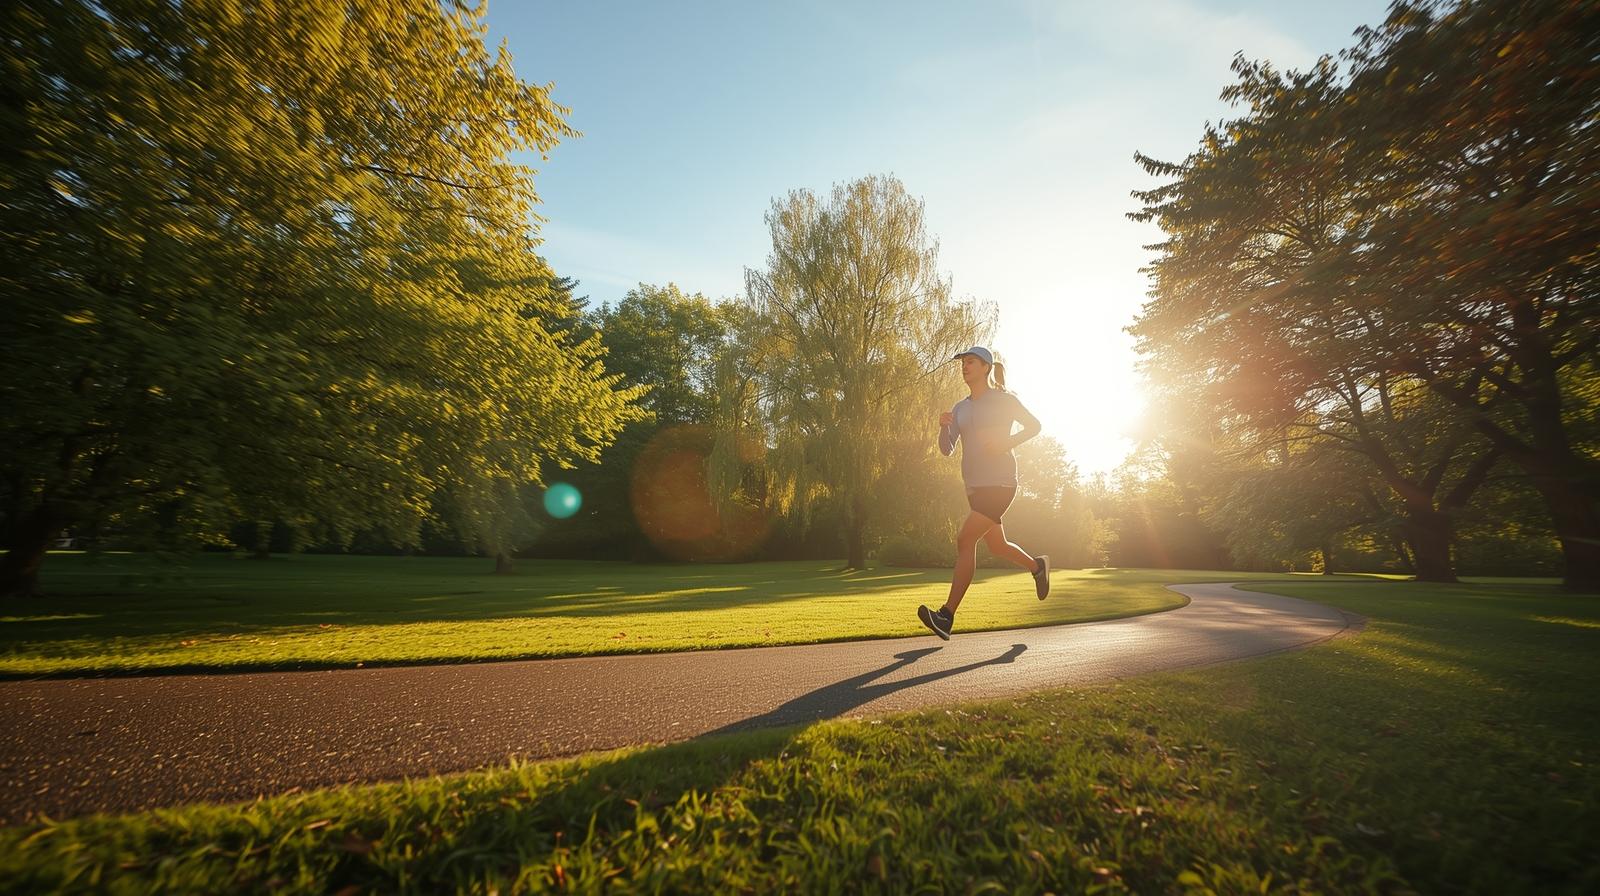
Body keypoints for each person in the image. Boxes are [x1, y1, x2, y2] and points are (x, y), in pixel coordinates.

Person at [918, 345, 1050, 640]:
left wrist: (1005, 444)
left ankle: (946, 615)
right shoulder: (960, 408)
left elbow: (1035, 426)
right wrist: (944, 427)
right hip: (974, 487)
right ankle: (1037, 567)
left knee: (965, 539)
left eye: (971, 362)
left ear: (986, 367)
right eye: (963, 363)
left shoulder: (1004, 400)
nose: (964, 367)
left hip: (1001, 482)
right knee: (998, 547)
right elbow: (946, 449)